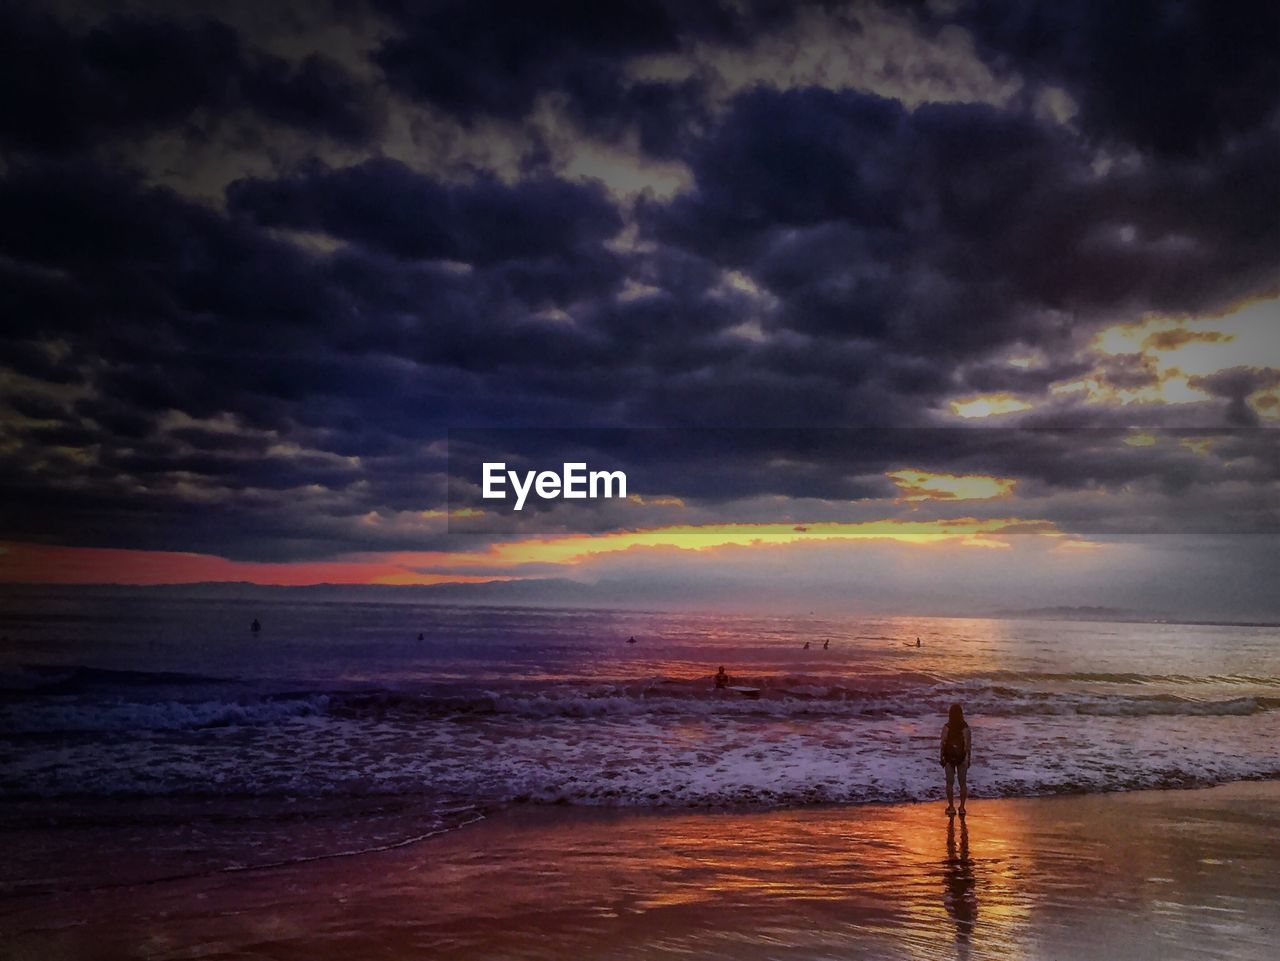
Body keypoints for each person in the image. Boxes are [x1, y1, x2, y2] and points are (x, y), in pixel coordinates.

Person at [939, 702, 971, 816]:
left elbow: (942, 743)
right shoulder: (966, 728)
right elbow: (968, 745)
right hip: (962, 757)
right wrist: (969, 759)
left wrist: (941, 757)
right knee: (962, 783)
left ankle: (951, 807)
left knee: (949, 783)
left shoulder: (947, 727)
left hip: (949, 757)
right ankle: (962, 808)